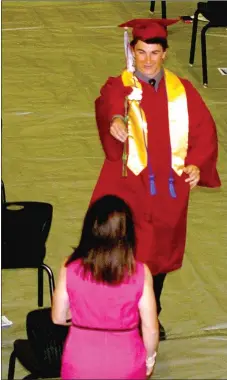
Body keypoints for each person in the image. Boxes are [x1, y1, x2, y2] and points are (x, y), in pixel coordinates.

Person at [90, 18, 221, 340]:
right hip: (129, 184)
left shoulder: (183, 90)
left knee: (160, 256)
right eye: (141, 52)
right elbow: (110, 104)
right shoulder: (120, 85)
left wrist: (196, 165)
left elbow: (204, 130)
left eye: (154, 52)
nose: (147, 59)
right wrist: (117, 119)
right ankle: (120, 313)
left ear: (165, 53)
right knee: (125, 250)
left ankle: (152, 312)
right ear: (132, 52)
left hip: (168, 187)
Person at [52, 195, 159, 379]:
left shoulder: (69, 267)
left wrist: (83, 315)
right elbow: (150, 328)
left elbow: (58, 318)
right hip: (126, 361)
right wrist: (150, 359)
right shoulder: (141, 272)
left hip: (81, 360)